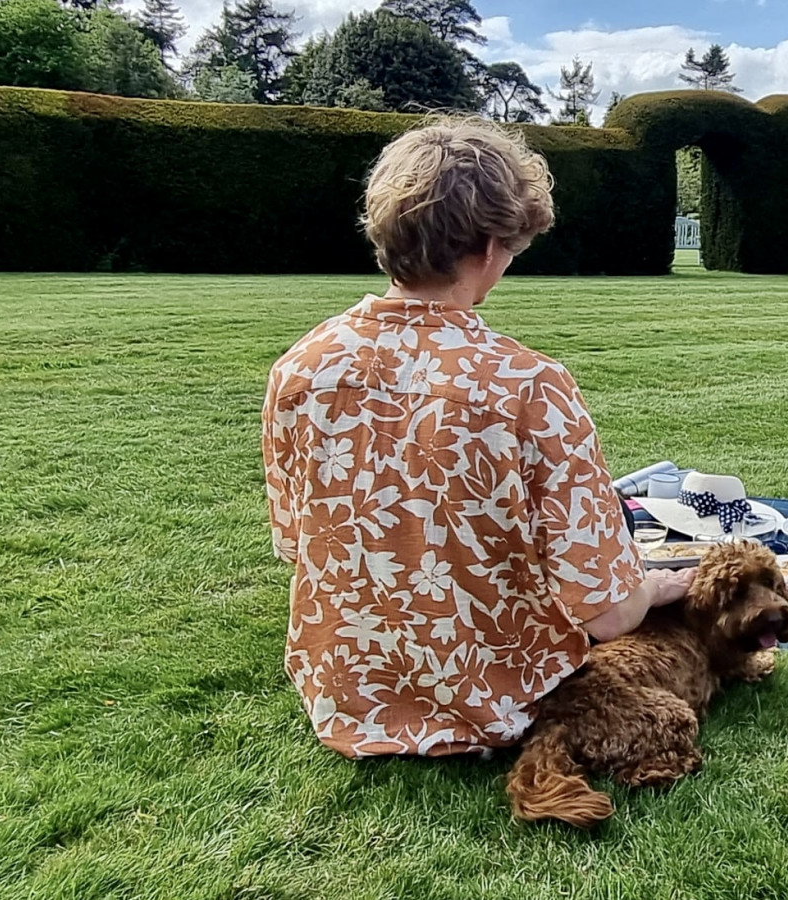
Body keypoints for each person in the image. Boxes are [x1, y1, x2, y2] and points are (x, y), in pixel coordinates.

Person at [262, 117, 693, 759]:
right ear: (491, 244)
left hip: (346, 697)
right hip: (497, 702)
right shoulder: (529, 385)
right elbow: (607, 612)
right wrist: (653, 586)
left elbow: (299, 545)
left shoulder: (299, 368)